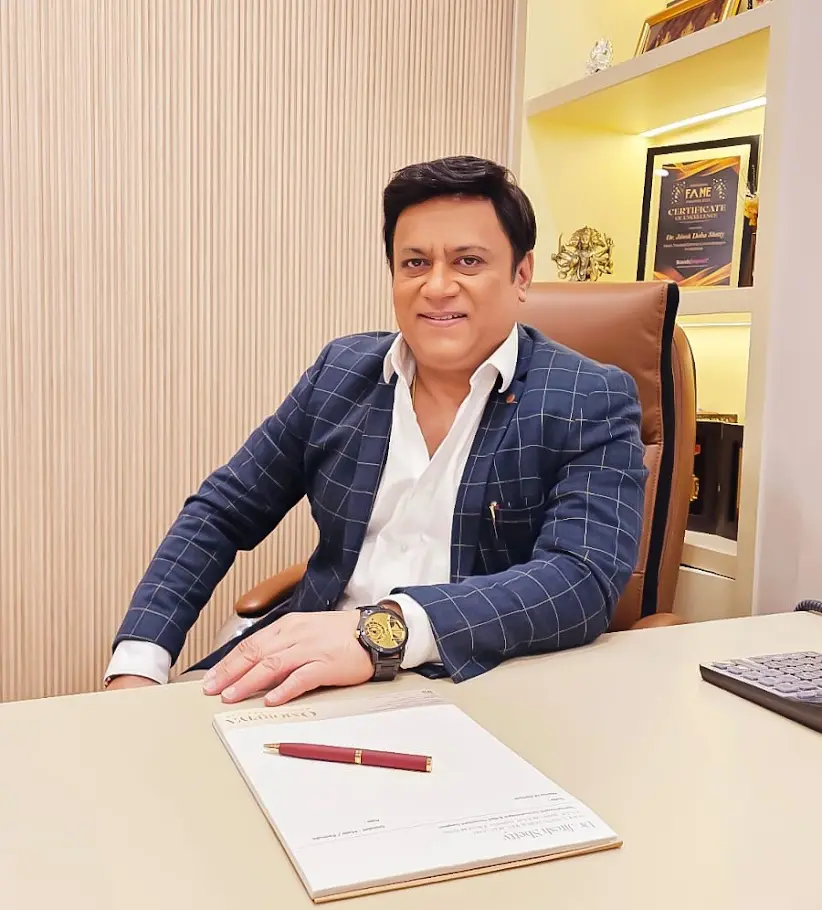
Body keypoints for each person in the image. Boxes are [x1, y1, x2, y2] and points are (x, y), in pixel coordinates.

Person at [105, 155, 647, 706]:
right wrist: (139, 661)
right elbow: (223, 510)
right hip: (310, 676)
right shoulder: (340, 374)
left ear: (521, 274)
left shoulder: (589, 397)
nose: (438, 286)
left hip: (471, 685)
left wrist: (382, 631)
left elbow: (581, 577)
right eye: (415, 263)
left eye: (468, 261)